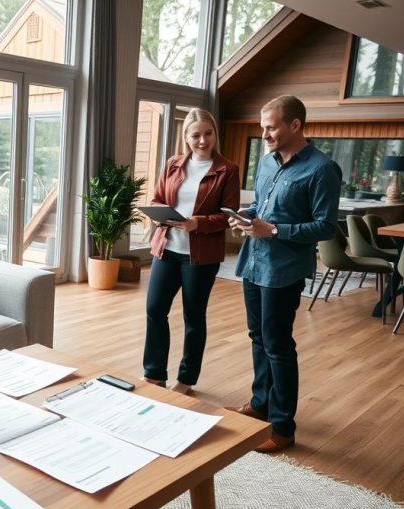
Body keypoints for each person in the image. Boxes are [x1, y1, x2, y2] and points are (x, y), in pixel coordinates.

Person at [227, 95, 340, 453]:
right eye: (262, 128)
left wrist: (274, 230)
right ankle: (260, 403)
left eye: (271, 127)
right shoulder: (265, 163)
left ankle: (283, 427)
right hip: (253, 262)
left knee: (278, 345)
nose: (265, 134)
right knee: (257, 336)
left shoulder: (322, 169)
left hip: (284, 270)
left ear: (295, 125)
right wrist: (246, 214)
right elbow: (262, 205)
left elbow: (325, 227)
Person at [143, 108, 240, 395]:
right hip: (167, 248)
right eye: (195, 135)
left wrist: (197, 223)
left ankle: (186, 379)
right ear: (186, 137)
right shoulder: (173, 164)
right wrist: (158, 211)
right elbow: (158, 197)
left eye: (207, 133)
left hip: (200, 257)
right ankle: (154, 373)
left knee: (193, 318)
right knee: (154, 310)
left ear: (214, 134)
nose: (202, 140)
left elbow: (229, 216)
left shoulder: (227, 170)